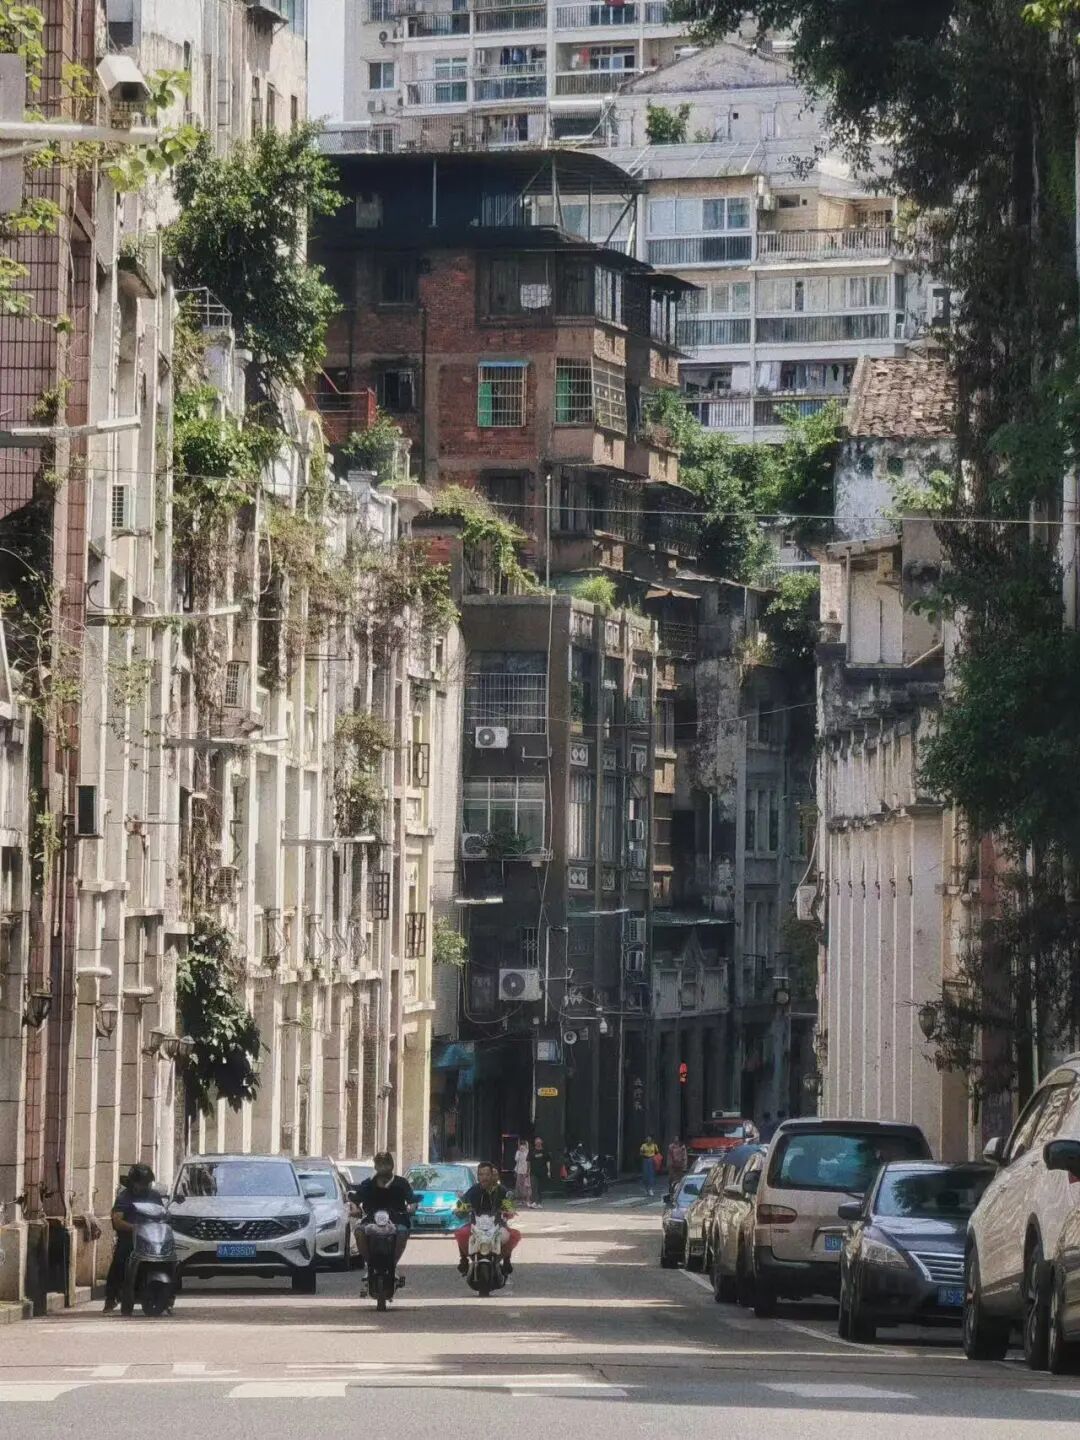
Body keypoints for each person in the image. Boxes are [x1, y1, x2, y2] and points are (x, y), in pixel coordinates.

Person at [104, 1163, 166, 1314]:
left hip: (152, 1239)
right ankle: (111, 1298)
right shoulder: (124, 1197)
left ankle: (167, 1297)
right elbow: (117, 1220)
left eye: (146, 1183)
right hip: (130, 1239)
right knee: (119, 1261)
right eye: (141, 1183)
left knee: (169, 1260)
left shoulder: (155, 1196)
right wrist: (134, 1228)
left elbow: (162, 1214)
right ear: (132, 1183)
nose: (144, 1186)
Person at [454, 1160, 521, 1275]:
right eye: (481, 1174)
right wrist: (460, 1209)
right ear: (478, 1176)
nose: (484, 1178)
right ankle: (463, 1260)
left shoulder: (501, 1191)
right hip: (476, 1225)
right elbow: (463, 1204)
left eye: (488, 1175)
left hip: (496, 1226)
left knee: (510, 1235)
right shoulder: (473, 1190)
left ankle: (506, 1260)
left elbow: (509, 1205)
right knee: (462, 1233)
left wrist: (509, 1211)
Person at [353, 1151, 416, 1270]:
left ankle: (393, 1264)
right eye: (380, 1164)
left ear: (391, 1165)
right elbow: (355, 1199)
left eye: (386, 1163)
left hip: (397, 1220)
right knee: (359, 1232)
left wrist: (412, 1207)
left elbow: (412, 1199)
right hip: (371, 1219)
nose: (383, 1167)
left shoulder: (401, 1183)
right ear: (375, 1166)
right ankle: (370, 1263)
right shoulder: (367, 1184)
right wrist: (354, 1208)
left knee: (403, 1231)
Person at [530, 1137, 551, 1208]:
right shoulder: (532, 1151)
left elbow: (548, 1161)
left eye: (539, 1142)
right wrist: (527, 1171)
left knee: (540, 1188)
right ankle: (533, 1202)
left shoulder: (545, 1151)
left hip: (542, 1171)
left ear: (541, 1142)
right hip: (533, 1171)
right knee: (533, 1187)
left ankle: (539, 1202)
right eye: (537, 1142)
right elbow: (528, 1161)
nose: (538, 1143)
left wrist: (548, 1171)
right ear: (535, 1143)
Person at [513, 1140, 533, 1207]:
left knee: (527, 1185)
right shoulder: (518, 1152)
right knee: (519, 1185)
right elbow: (516, 1159)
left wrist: (528, 1171)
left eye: (524, 1145)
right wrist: (520, 1153)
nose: (522, 1146)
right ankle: (520, 1200)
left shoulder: (528, 1152)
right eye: (521, 1145)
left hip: (526, 1170)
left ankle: (528, 1200)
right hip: (519, 1170)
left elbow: (529, 1161)